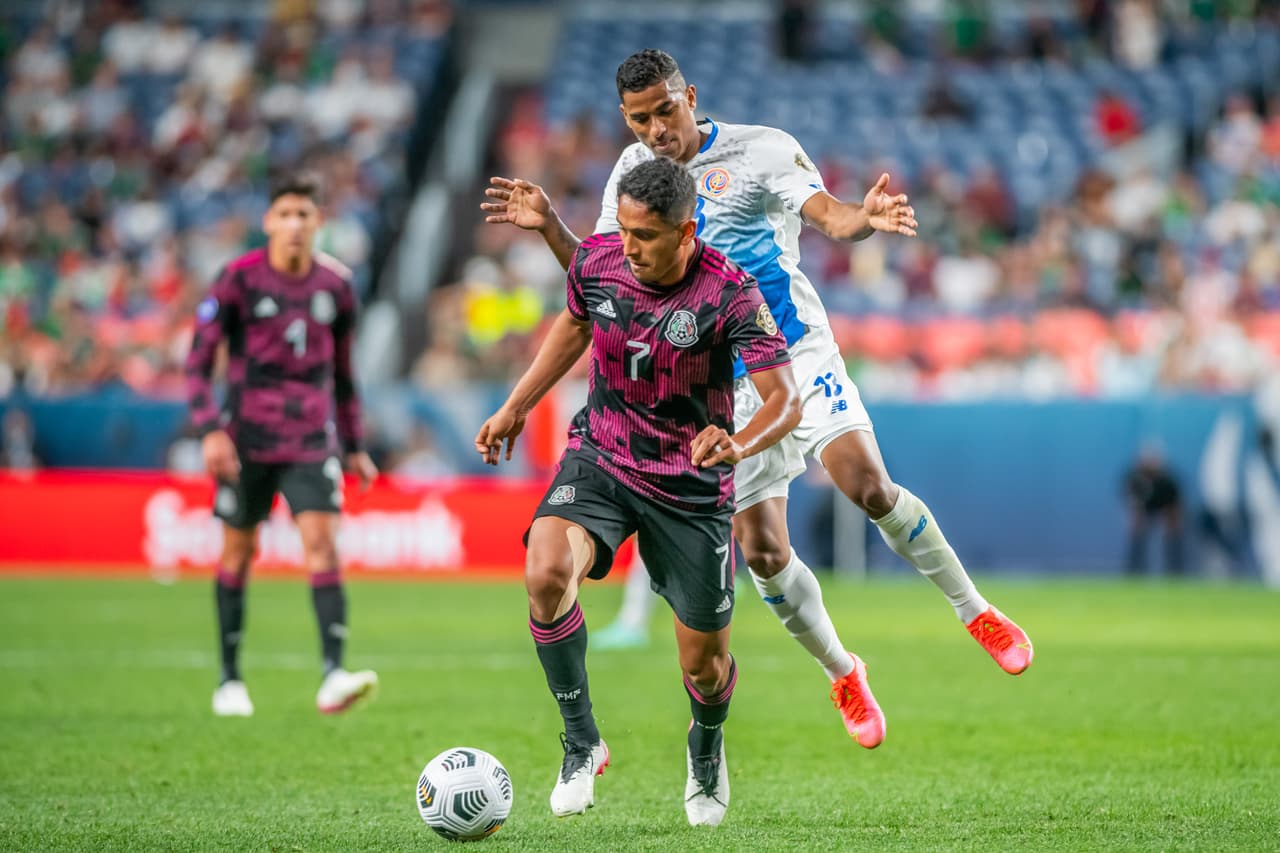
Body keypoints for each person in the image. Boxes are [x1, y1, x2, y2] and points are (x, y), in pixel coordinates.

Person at [481, 49, 1033, 744]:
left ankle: (974, 608)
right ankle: (842, 670)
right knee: (765, 551)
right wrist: (553, 228)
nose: (656, 128)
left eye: (665, 110)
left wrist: (865, 217)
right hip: (715, 383)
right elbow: (603, 279)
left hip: (794, 348)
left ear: (691, 94)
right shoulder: (630, 174)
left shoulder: (762, 149)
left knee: (865, 483)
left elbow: (828, 217)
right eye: (639, 118)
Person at [474, 158, 803, 827]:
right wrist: (516, 405)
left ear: (686, 233)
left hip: (690, 486)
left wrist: (737, 444)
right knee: (544, 571)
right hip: (602, 455)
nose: (628, 246)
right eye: (622, 230)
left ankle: (705, 745)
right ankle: (581, 739)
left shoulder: (730, 292)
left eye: (644, 235)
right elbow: (575, 323)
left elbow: (786, 400)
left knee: (705, 667)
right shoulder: (598, 260)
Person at [185, 171, 380, 718]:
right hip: (245, 439)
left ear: (319, 223)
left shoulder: (336, 288)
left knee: (322, 546)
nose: (295, 225)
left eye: (305, 215)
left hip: (310, 439)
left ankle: (333, 675)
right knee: (238, 553)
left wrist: (355, 444)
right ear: (269, 222)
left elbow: (344, 377)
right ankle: (229, 680)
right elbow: (198, 364)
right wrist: (210, 430)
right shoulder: (237, 280)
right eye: (286, 214)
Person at [1123, 443, 1184, 576]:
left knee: (1173, 537)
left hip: (1165, 507)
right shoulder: (1135, 477)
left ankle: (1175, 571)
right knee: (1137, 535)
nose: (1150, 464)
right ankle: (1134, 572)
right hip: (1143, 508)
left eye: (1154, 461)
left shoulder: (1167, 480)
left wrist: (1172, 524)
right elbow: (1132, 502)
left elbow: (1174, 506)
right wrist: (1137, 519)